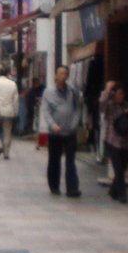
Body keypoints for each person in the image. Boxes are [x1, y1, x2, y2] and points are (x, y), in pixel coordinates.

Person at [40, 65, 84, 198]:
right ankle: (54, 186)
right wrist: (53, 125)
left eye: (65, 73)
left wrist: (74, 123)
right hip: (55, 133)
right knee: (54, 160)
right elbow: (46, 111)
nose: (63, 76)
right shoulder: (49, 92)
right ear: (55, 75)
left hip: (70, 132)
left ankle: (72, 188)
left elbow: (77, 108)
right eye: (60, 73)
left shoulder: (72, 91)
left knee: (70, 160)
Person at [102, 83, 128, 203]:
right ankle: (122, 195)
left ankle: (113, 191)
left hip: (126, 142)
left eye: (122, 93)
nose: (121, 96)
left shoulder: (127, 105)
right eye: (118, 93)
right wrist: (107, 90)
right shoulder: (110, 106)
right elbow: (102, 103)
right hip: (112, 141)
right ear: (114, 94)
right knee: (119, 170)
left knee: (123, 167)